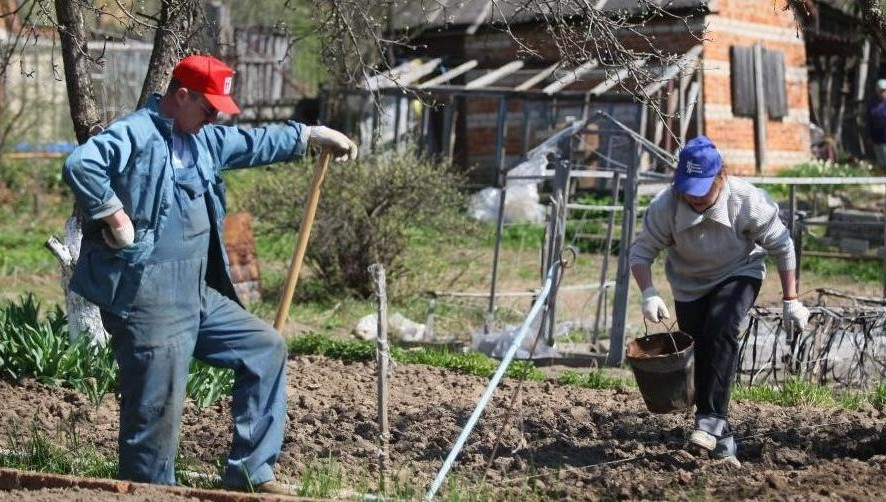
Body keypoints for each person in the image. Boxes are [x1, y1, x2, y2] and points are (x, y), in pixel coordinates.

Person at [62, 54, 357, 492]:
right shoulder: (138, 133)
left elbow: (251, 143)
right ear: (182, 96)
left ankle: (250, 475)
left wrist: (308, 135)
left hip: (195, 293)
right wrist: (115, 217)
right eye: (208, 108)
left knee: (265, 348)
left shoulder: (202, 141)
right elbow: (81, 164)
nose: (214, 117)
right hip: (146, 298)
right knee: (156, 410)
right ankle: (149, 493)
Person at [628, 136, 810, 465]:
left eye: (702, 189)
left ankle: (709, 422)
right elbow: (641, 252)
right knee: (699, 352)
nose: (693, 198)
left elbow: (783, 245)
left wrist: (791, 299)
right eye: (687, 188)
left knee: (722, 327)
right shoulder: (665, 206)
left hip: (738, 272)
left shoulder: (746, 200)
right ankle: (722, 443)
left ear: (720, 177)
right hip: (688, 283)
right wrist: (649, 292)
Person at [868, 79, 886, 170]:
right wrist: (870, 136)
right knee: (881, 163)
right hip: (877, 138)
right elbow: (869, 121)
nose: (883, 93)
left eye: (884, 91)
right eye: (881, 91)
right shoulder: (872, 104)